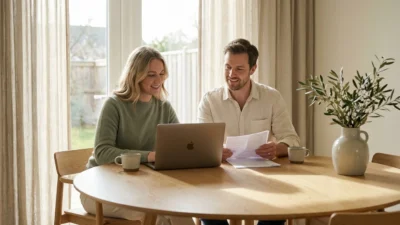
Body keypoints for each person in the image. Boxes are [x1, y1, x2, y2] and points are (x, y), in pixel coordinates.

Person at [82, 46, 195, 225]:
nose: (158, 80)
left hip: (140, 189)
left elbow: (178, 147)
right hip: (101, 190)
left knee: (181, 212)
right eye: (151, 74)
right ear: (136, 75)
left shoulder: (164, 108)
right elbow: (102, 152)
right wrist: (148, 156)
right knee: (158, 218)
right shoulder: (114, 105)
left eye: (161, 73)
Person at [198, 38, 300, 225]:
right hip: (222, 179)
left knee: (279, 208)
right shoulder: (209, 101)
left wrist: (277, 148)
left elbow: (291, 139)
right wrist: (215, 151)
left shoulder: (271, 97)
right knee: (206, 205)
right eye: (227, 67)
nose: (231, 74)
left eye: (239, 69)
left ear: (253, 69)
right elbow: (201, 144)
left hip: (264, 178)